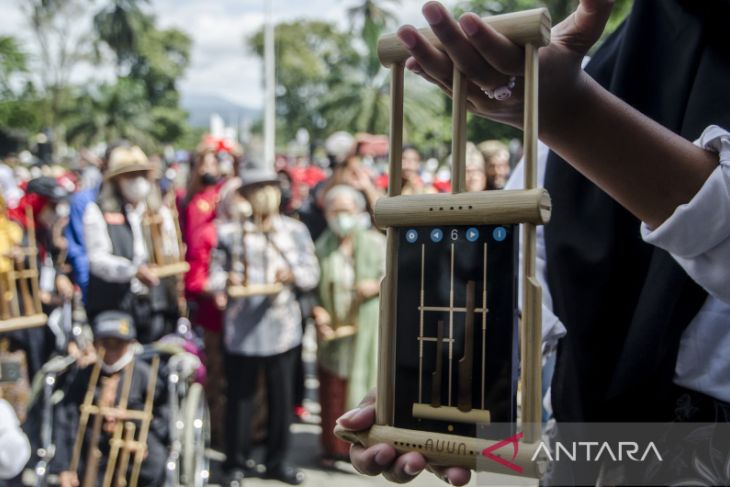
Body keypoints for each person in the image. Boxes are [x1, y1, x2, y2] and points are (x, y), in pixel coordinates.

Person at [340, 0, 730, 485]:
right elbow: (523, 265)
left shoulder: (576, 83)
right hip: (584, 441)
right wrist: (444, 386)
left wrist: (574, 114)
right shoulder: (611, 62)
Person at [210, 168, 319, 486]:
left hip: (282, 325)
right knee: (240, 398)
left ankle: (277, 460)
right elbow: (215, 274)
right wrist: (225, 282)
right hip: (242, 327)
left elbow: (311, 273)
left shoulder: (293, 231)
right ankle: (234, 462)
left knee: (281, 398)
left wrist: (291, 274)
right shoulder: (230, 233)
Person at [313, 185, 385, 465]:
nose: (341, 216)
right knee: (333, 387)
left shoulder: (375, 242)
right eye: (335, 211)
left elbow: (394, 275)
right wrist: (318, 312)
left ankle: (365, 446)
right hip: (335, 329)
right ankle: (334, 448)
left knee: (364, 385)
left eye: (346, 211)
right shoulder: (322, 245)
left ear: (358, 212)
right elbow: (313, 289)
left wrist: (375, 286)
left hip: (367, 330)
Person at [55, 311, 168, 487]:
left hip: (135, 449)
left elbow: (164, 419)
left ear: (130, 344)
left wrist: (133, 424)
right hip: (93, 452)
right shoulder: (84, 376)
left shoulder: (146, 375)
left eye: (118, 344)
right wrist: (64, 467)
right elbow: (66, 420)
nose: (111, 350)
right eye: (105, 344)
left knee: (153, 462)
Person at [84, 146, 180, 344]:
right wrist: (133, 271)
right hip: (117, 305)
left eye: (141, 175)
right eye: (130, 176)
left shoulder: (159, 213)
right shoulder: (97, 212)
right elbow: (97, 260)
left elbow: (171, 252)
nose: (137, 181)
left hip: (156, 305)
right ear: (116, 181)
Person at [180, 145, 225, 447]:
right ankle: (209, 431)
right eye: (202, 162)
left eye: (213, 161)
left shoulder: (224, 199)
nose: (208, 167)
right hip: (200, 296)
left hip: (220, 296)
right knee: (208, 368)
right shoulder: (187, 201)